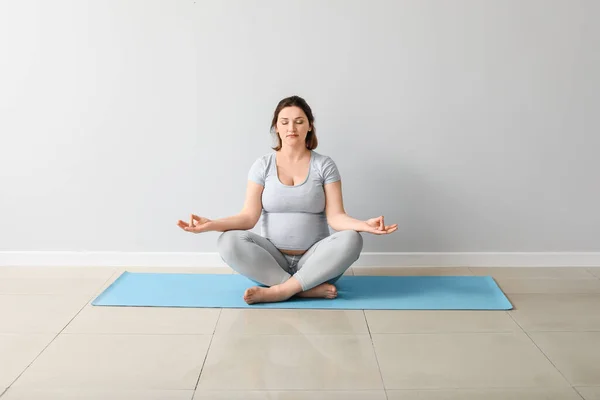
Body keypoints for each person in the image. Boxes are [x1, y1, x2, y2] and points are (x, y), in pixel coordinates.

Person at [177, 95, 397, 304]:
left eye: (299, 122)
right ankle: (303, 289)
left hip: (315, 262)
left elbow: (337, 217)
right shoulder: (262, 165)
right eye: (285, 122)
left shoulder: (324, 165)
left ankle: (281, 291)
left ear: (309, 126)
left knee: (352, 239)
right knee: (227, 241)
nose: (291, 128)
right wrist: (211, 225)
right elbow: (248, 217)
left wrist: (364, 226)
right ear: (277, 127)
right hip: (272, 262)